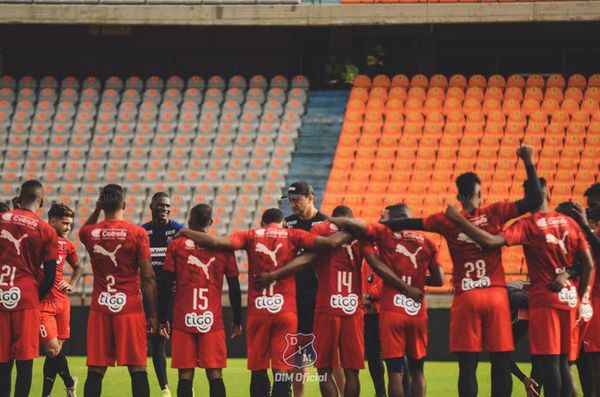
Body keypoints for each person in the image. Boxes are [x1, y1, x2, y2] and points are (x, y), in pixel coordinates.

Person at [381, 145, 543, 397]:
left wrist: (379, 226)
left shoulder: (446, 220)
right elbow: (534, 200)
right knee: (500, 362)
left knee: (467, 366)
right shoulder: (495, 212)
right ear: (481, 194)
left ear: (458, 196)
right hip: (496, 296)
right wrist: (529, 162)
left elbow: (407, 222)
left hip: (466, 296)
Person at [177, 208, 353, 397]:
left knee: (258, 370)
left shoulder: (251, 235)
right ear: (283, 223)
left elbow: (215, 242)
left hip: (257, 313)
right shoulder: (292, 234)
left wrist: (186, 231)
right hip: (286, 313)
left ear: (262, 223)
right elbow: (328, 243)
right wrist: (353, 230)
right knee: (282, 370)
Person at [445, 177, 595, 397]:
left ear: (529, 197)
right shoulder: (569, 223)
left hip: (545, 299)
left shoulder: (528, 225)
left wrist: (460, 220)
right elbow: (588, 264)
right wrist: (580, 299)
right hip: (572, 301)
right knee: (567, 364)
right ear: (548, 195)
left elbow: (490, 242)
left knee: (550, 361)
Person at [330, 204, 445, 397]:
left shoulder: (385, 237)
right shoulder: (427, 241)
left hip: (391, 310)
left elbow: (374, 262)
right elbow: (439, 280)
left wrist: (329, 219)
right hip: (416, 309)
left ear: (393, 219)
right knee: (418, 371)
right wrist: (416, 281)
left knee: (395, 373)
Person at [257, 205, 368, 397]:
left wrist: (275, 275)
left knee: (323, 369)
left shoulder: (321, 229)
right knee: (350, 370)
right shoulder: (362, 234)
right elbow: (377, 264)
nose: (293, 203)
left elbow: (307, 258)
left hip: (325, 306)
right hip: (352, 308)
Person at [79, 184, 158, 397]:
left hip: (100, 308)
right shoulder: (138, 233)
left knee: (95, 369)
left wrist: (96, 211)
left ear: (102, 204)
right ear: (124, 204)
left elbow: (82, 232)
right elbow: (148, 276)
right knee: (138, 368)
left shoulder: (91, 232)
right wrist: (153, 314)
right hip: (130, 309)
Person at [160, 203, 242, 397]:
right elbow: (234, 286)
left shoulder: (176, 246)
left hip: (183, 319)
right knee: (215, 374)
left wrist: (163, 317)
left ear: (189, 221)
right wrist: (238, 319)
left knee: (185, 375)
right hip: (211, 321)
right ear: (211, 222)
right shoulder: (223, 248)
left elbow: (165, 286)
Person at [0, 180, 59, 397]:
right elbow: (51, 276)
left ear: (18, 197)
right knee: (24, 363)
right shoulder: (46, 230)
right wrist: (36, 297)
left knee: (2, 364)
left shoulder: (2, 219)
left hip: (1, 294)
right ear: (41, 201)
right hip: (26, 299)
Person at [283, 181, 334, 396]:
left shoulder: (326, 223)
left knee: (331, 358)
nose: (293, 205)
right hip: (296, 298)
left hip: (321, 297)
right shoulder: (288, 223)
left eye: (297, 200)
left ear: (311, 198)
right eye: (290, 200)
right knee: (296, 354)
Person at [556, 186, 600, 396]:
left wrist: (584, 225)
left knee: (569, 363)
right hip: (588, 304)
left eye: (593, 206)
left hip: (589, 304)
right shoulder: (588, 235)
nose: (589, 210)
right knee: (581, 362)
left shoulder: (590, 233)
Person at [142, 192, 185, 397]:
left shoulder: (178, 230)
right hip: (152, 295)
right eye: (160, 206)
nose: (165, 209)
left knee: (182, 338)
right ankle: (165, 388)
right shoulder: (143, 232)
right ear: (151, 207)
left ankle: (186, 383)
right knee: (157, 341)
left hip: (175, 293)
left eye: (168, 206)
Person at [40, 203, 83, 397]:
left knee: (54, 353)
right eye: (65, 223)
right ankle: (69, 382)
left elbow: (79, 268)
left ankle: (46, 394)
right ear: (52, 221)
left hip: (62, 303)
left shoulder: (67, 245)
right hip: (44, 304)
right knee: (52, 350)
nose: (68, 227)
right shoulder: (38, 239)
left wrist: (72, 284)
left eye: (70, 224)